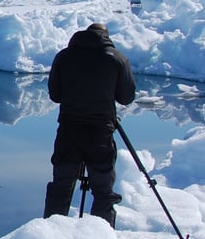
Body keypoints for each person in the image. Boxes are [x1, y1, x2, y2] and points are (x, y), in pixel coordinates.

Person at [43, 22, 136, 227]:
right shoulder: (117, 58)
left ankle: (51, 236)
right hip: (100, 132)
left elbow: (55, 95)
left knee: (61, 187)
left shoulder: (64, 56)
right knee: (103, 192)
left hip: (69, 130)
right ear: (106, 36)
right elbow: (127, 97)